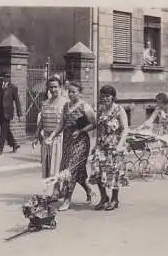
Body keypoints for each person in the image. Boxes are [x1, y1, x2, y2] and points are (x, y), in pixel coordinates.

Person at [45, 81, 96, 211]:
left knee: (70, 170)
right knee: (76, 171)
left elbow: (93, 124)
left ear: (80, 93)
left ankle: (67, 200)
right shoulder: (66, 106)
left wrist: (81, 130)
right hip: (67, 141)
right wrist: (51, 137)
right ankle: (88, 189)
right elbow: (61, 124)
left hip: (81, 142)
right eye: (70, 91)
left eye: (74, 92)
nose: (71, 94)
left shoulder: (85, 107)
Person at [88, 85, 129, 211]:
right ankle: (104, 197)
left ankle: (115, 199)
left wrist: (120, 145)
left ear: (113, 97)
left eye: (107, 96)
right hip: (101, 145)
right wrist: (94, 146)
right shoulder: (101, 110)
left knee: (114, 172)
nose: (105, 98)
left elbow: (125, 129)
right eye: (103, 96)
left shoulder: (119, 110)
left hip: (114, 146)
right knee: (97, 170)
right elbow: (99, 129)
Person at [136, 92, 168, 175]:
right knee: (165, 147)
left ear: (164, 101)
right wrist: (140, 127)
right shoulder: (158, 109)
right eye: (157, 102)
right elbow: (150, 120)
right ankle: (166, 164)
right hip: (166, 129)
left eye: (159, 102)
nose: (157, 103)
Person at [35, 76, 68, 180]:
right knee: (47, 166)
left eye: (55, 87)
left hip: (59, 139)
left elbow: (64, 123)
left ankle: (57, 191)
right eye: (51, 87)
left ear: (60, 87)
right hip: (46, 139)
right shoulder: (45, 103)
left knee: (57, 166)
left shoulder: (66, 103)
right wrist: (36, 136)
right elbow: (41, 121)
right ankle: (52, 191)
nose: (53, 90)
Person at [0, 72, 21, 156]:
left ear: (9, 78)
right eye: (5, 77)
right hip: (0, 112)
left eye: (8, 77)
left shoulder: (13, 88)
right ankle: (14, 144)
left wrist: (19, 114)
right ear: (2, 78)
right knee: (6, 130)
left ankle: (0, 149)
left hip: (8, 113)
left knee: (3, 131)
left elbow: (17, 101)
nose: (6, 78)